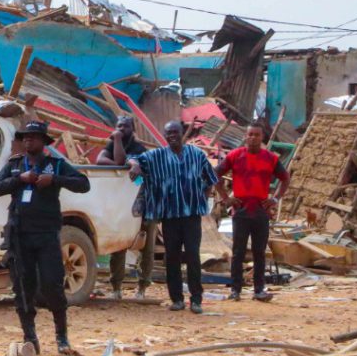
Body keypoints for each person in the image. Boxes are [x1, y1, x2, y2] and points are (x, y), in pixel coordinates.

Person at [0, 120, 90, 355]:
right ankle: (30, 337)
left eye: (33, 137)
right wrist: (19, 180)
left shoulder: (55, 165)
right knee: (23, 288)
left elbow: (83, 184)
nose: (28, 140)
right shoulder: (15, 166)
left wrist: (54, 180)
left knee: (53, 285)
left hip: (46, 236)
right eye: (25, 137)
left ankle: (62, 337)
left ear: (44, 142)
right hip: (20, 236)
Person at [128, 120, 219, 314]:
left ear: (182, 133)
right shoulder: (157, 156)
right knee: (172, 258)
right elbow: (134, 157)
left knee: (193, 256)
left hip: (192, 216)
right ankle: (177, 299)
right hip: (169, 216)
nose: (172, 136)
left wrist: (201, 199)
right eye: (168, 133)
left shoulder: (196, 154)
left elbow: (210, 179)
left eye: (175, 132)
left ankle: (196, 300)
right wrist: (134, 166)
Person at [215, 121, 289, 301]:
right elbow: (215, 174)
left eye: (256, 135)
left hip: (261, 212)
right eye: (250, 134)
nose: (253, 137)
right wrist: (226, 198)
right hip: (241, 211)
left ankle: (259, 290)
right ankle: (235, 290)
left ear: (262, 137)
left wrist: (275, 199)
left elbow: (285, 178)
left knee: (259, 252)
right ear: (245, 136)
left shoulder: (270, 158)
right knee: (238, 252)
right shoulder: (235, 155)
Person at [96, 116, 156, 300]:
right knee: (119, 246)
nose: (122, 129)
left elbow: (128, 161)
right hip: (121, 207)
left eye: (126, 126)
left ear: (133, 129)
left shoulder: (141, 150)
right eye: (119, 126)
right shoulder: (112, 146)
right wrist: (118, 163)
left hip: (144, 204)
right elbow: (100, 160)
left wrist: (125, 161)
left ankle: (142, 288)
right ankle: (116, 288)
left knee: (147, 248)